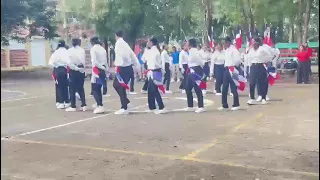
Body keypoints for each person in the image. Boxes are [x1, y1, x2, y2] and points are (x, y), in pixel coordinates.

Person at [113, 30, 140, 115]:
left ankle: (124, 107)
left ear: (115, 35)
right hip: (126, 67)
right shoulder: (125, 43)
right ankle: (126, 103)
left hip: (122, 68)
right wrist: (136, 64)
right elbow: (132, 54)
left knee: (119, 86)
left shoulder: (119, 43)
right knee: (118, 85)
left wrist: (123, 62)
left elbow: (124, 55)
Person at [246, 37, 273, 105]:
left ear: (257, 43)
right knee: (252, 82)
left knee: (262, 82)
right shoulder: (251, 50)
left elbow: (270, 56)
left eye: (254, 42)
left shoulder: (262, 49)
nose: (253, 43)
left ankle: (263, 98)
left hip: (260, 65)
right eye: (252, 42)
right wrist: (249, 67)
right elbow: (248, 58)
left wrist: (264, 60)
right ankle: (252, 98)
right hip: (253, 66)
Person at [218, 37, 242, 111]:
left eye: (224, 43)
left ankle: (236, 104)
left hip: (233, 69)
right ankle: (224, 104)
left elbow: (238, 61)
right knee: (224, 87)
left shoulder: (234, 50)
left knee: (233, 87)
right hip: (226, 69)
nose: (223, 44)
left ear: (228, 42)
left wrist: (233, 67)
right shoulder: (226, 50)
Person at [145, 37, 167, 114]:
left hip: (155, 71)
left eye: (148, 41)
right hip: (153, 71)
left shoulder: (153, 51)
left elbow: (150, 61)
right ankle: (152, 107)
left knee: (154, 90)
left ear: (151, 42)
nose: (147, 43)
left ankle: (161, 107)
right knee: (150, 90)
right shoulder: (152, 50)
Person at [182, 39, 205, 113]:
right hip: (191, 70)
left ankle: (201, 106)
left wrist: (197, 70)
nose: (186, 44)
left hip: (196, 70)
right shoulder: (190, 51)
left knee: (197, 88)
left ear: (190, 44)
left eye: (187, 43)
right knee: (187, 87)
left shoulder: (195, 51)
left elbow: (200, 62)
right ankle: (190, 105)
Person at [65, 38, 87, 112]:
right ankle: (84, 105)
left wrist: (75, 68)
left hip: (73, 70)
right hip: (81, 70)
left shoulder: (69, 51)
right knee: (81, 88)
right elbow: (83, 61)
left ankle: (73, 105)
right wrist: (82, 69)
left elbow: (69, 63)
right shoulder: (82, 50)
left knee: (72, 89)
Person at [49, 40, 71, 109]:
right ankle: (66, 101)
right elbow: (69, 62)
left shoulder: (55, 52)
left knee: (58, 86)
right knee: (65, 86)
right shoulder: (67, 52)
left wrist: (56, 65)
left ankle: (60, 102)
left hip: (57, 70)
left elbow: (50, 63)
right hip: (65, 70)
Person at [90, 37, 109, 114]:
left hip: (97, 70)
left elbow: (94, 61)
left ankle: (100, 105)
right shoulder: (103, 49)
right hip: (102, 69)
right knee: (98, 88)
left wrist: (101, 67)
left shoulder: (93, 49)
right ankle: (99, 104)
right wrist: (106, 69)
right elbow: (106, 61)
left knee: (94, 89)